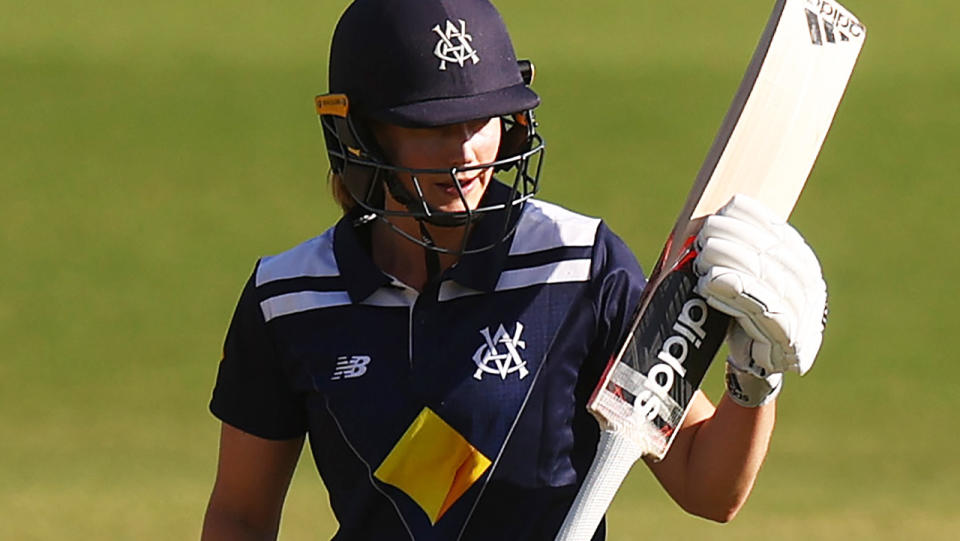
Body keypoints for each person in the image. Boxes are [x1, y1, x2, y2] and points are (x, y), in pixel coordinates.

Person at [201, 0, 828, 539]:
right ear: (360, 136)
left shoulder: (581, 270)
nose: (469, 149)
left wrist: (754, 381)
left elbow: (705, 483)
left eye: (483, 120)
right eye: (435, 127)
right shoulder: (288, 300)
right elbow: (240, 517)